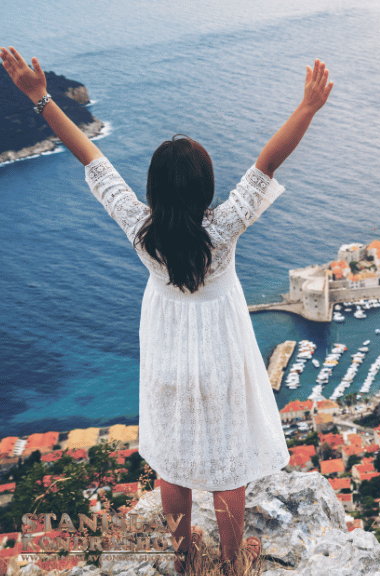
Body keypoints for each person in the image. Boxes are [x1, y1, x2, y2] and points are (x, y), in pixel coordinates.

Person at [1, 47, 333, 575]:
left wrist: (39, 97)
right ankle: (229, 563)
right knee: (228, 465)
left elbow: (93, 159)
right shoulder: (223, 231)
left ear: (153, 190)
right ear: (207, 190)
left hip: (166, 355)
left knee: (172, 459)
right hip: (221, 353)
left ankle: (183, 559)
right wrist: (308, 107)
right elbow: (267, 163)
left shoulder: (140, 230)